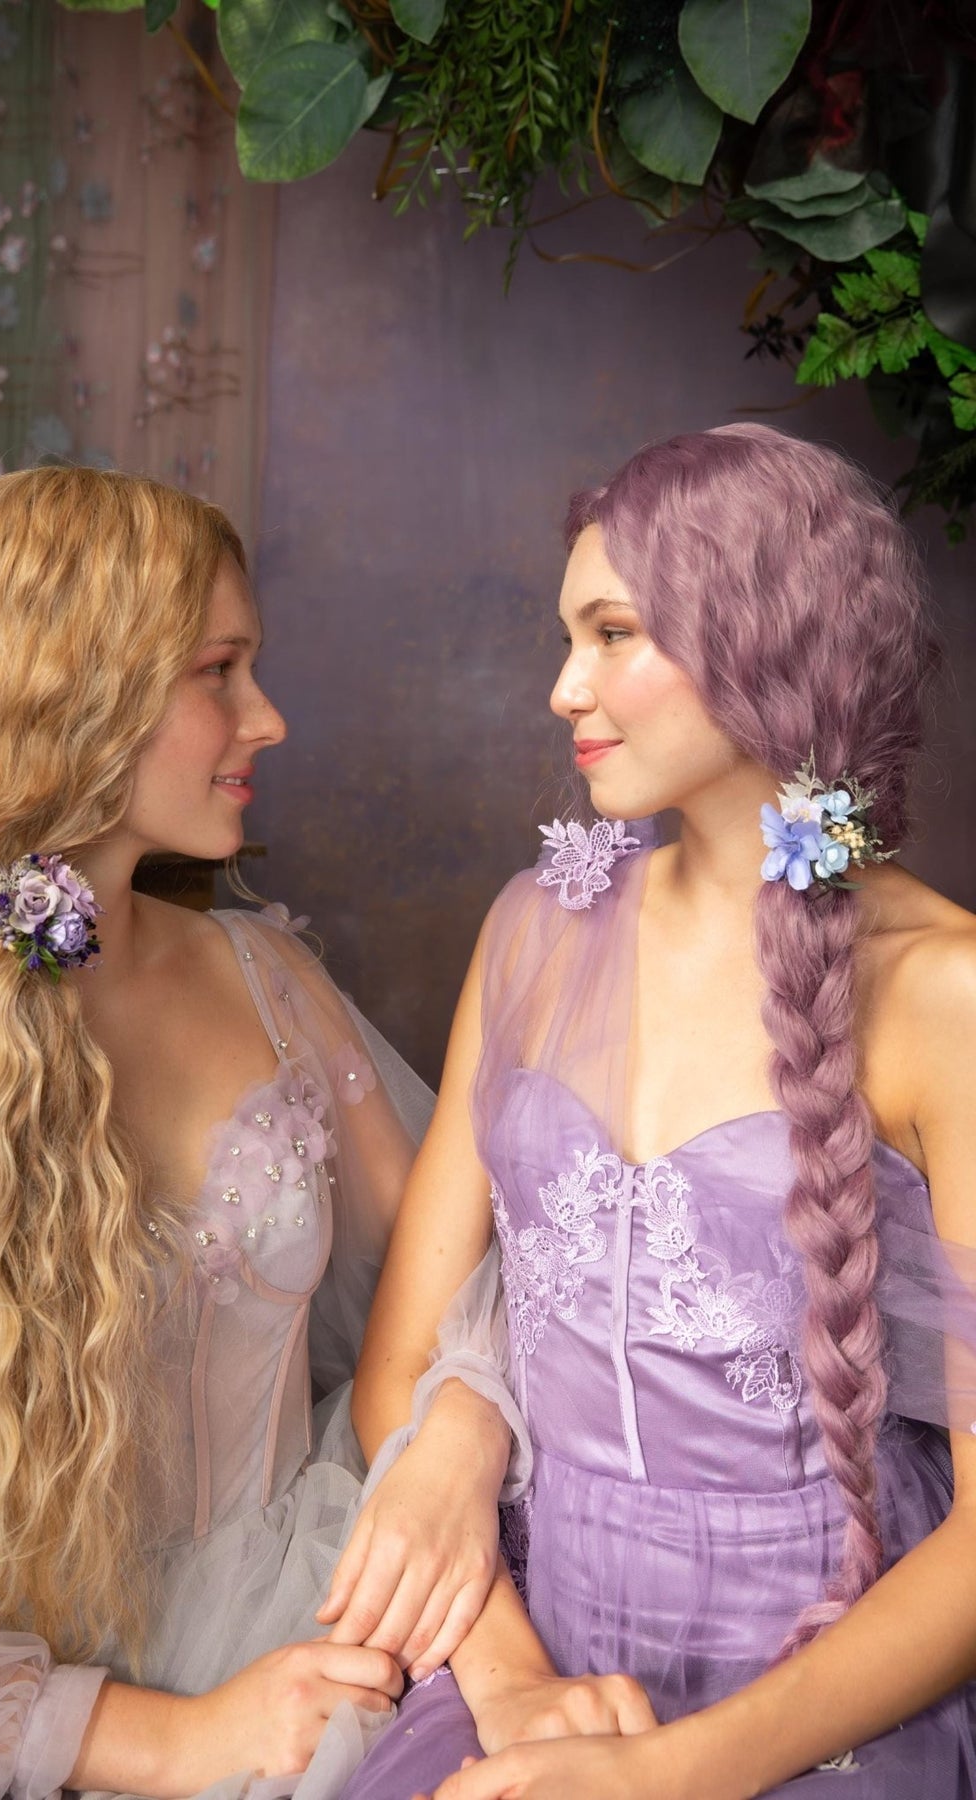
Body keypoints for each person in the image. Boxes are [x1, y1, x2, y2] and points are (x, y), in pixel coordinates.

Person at [325, 424, 976, 1799]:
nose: (565, 687)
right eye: (569, 636)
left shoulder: (942, 990)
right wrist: (514, 1685)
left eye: (613, 634)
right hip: (531, 1634)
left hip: (815, 1693)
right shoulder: (533, 929)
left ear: (766, 636)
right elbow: (396, 1371)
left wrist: (661, 1778)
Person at [0, 467, 433, 1800]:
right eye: (219, 673)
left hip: (309, 1615)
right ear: (74, 697)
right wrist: (173, 1743)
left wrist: (457, 1448)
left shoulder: (269, 980)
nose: (268, 718)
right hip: (13, 1741)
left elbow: (456, 1298)